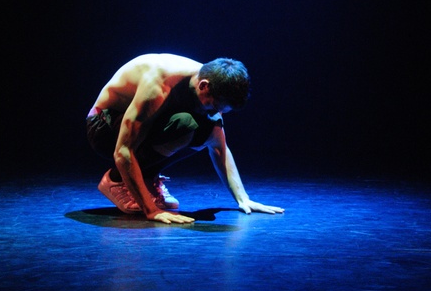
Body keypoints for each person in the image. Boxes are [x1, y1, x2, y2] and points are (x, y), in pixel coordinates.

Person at [86, 53, 284, 224]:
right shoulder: (158, 86)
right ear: (204, 86)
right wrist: (151, 211)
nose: (217, 112)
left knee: (209, 128)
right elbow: (123, 150)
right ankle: (116, 180)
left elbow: (219, 147)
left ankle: (145, 178)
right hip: (103, 127)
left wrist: (243, 199)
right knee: (185, 124)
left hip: (138, 125)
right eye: (215, 106)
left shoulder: (210, 80)